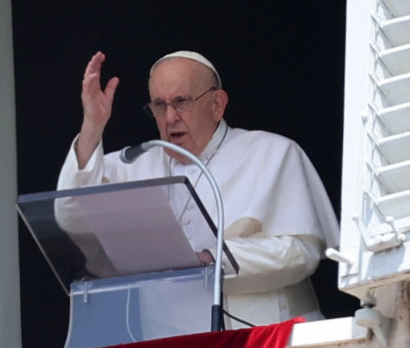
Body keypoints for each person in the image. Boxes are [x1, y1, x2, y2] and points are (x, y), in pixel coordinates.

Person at [57, 50, 340, 330]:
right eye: (159, 105)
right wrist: (92, 127)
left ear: (217, 104)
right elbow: (71, 216)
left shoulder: (272, 152)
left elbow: (301, 253)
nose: (169, 118)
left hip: (262, 340)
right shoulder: (133, 164)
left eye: (182, 102)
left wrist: (209, 261)